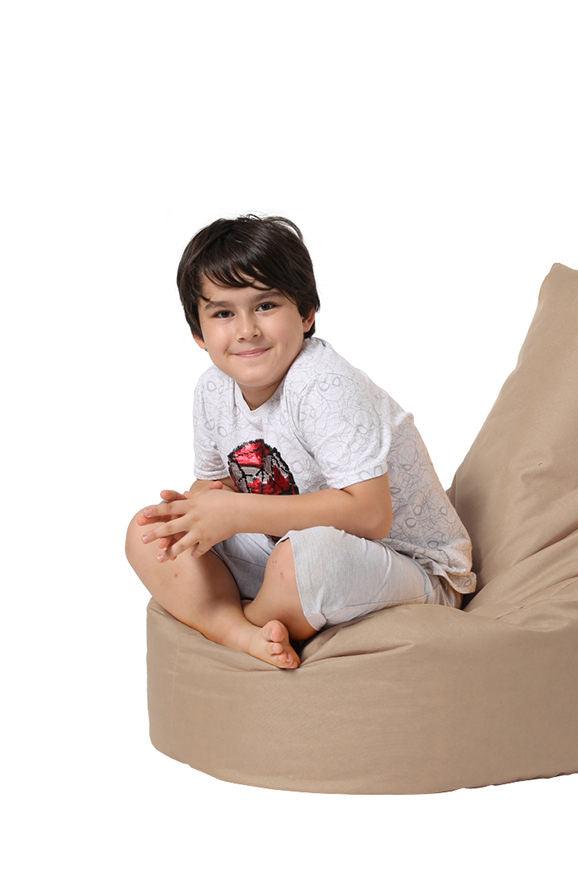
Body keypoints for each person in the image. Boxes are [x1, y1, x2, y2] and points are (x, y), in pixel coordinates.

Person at [125, 214, 476, 670]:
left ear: (307, 314)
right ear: (198, 332)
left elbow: (371, 514)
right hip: (283, 547)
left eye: (266, 305)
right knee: (148, 531)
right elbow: (217, 486)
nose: (247, 329)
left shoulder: (324, 385)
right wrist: (196, 511)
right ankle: (241, 633)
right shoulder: (212, 390)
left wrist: (235, 513)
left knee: (306, 560)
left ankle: (242, 622)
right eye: (223, 313)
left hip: (407, 564)